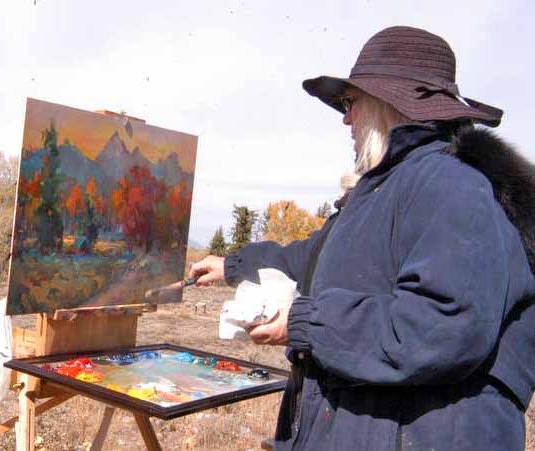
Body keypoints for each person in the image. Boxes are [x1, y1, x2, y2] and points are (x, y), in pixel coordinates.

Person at [191, 26, 535, 450]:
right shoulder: (388, 188)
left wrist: (303, 323)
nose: (345, 118)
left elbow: (439, 326)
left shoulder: (451, 184)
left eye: (350, 102)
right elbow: (314, 258)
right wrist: (231, 265)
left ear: (388, 104)